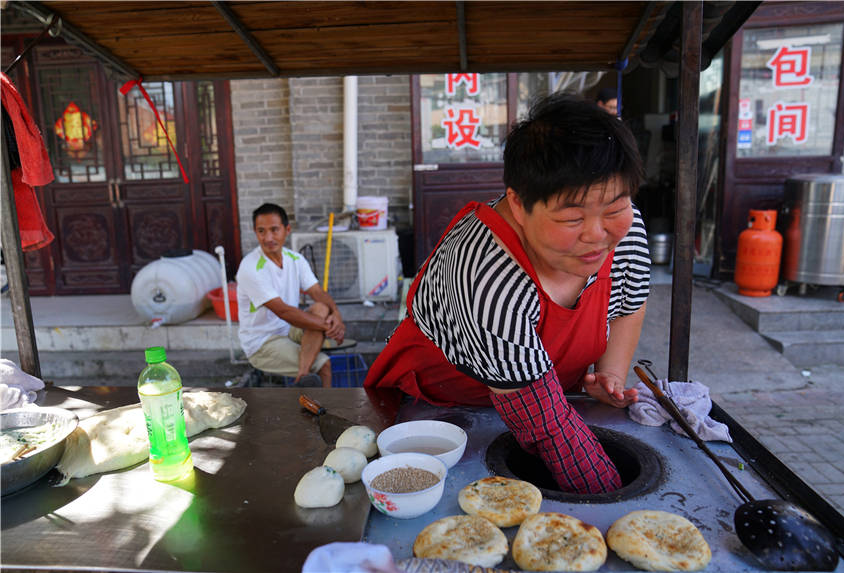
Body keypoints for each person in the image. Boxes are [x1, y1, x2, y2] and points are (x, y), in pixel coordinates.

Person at [365, 94, 650, 494]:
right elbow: (548, 427)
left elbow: (627, 306)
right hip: (440, 412)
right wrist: (615, 500)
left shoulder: (625, 226)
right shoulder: (485, 270)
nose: (597, 234)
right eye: (571, 218)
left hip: (554, 400)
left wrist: (610, 375)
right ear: (518, 203)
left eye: (615, 208)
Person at [236, 203, 346, 387]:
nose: (268, 237)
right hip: (262, 342)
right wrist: (330, 327)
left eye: (274, 230)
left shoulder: (295, 259)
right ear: (255, 232)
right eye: (261, 231)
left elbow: (317, 292)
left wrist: (336, 315)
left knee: (321, 307)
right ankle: (317, 398)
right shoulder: (250, 268)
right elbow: (283, 312)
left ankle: (302, 379)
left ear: (287, 230)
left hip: (286, 329)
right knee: (323, 365)